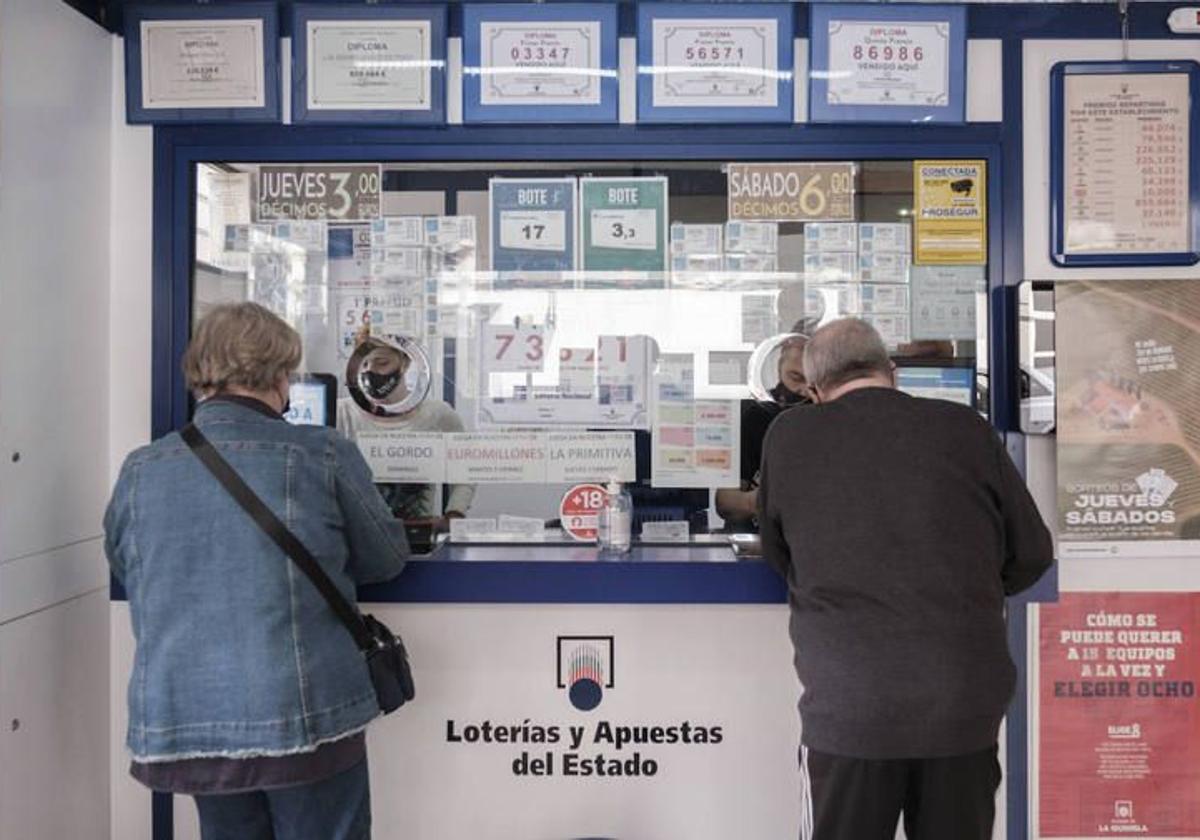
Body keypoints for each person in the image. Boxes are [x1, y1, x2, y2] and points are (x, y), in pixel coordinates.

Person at [104, 302, 409, 840]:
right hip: (303, 711)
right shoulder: (322, 454)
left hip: (195, 714)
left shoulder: (141, 469)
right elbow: (385, 559)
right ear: (278, 377)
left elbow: (128, 569)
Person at [757, 318, 1053, 840]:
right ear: (891, 373)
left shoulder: (790, 434)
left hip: (851, 708)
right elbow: (1031, 553)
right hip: (960, 705)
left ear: (815, 389)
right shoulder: (966, 428)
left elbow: (780, 557)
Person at [337, 332, 475, 531]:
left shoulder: (437, 414)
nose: (370, 371)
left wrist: (453, 515)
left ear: (405, 363)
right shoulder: (341, 413)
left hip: (418, 532)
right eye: (364, 365)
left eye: (382, 363)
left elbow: (465, 470)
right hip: (358, 536)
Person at [716, 334, 809, 530]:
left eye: (812, 382)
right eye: (795, 377)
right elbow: (725, 501)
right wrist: (763, 500)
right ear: (779, 365)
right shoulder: (757, 416)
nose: (803, 391)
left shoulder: (827, 418)